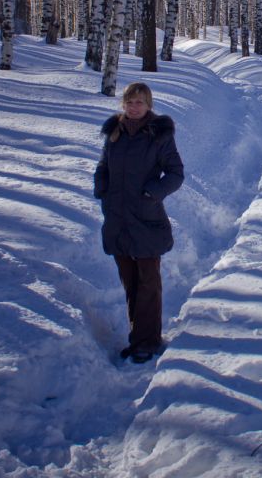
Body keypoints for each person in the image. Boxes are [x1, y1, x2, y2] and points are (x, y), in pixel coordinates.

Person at [94, 82, 184, 364]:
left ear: (149, 105)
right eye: (130, 102)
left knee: (148, 282)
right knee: (130, 281)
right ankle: (138, 338)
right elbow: (103, 166)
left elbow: (175, 173)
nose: (134, 108)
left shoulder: (159, 134)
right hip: (118, 218)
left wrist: (152, 192)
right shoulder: (114, 132)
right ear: (124, 104)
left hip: (145, 217)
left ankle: (148, 341)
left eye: (140, 103)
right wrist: (102, 189)